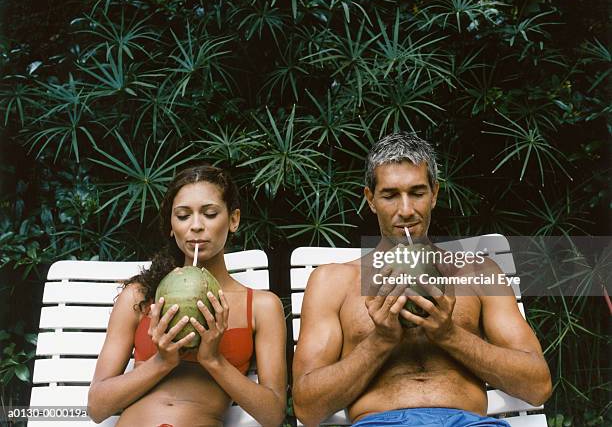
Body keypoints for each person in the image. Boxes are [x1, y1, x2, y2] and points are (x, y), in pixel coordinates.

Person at [292, 132, 552, 426]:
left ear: (435, 194)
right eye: (390, 195)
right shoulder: (332, 282)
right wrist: (380, 341)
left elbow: (537, 386)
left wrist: (449, 335)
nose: (406, 210)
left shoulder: (479, 273)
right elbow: (306, 407)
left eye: (417, 193)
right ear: (371, 199)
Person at [88, 164, 287, 427]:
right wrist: (161, 361)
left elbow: (273, 415)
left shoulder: (262, 306)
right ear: (171, 226)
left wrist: (213, 360)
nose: (195, 226)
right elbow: (97, 407)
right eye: (182, 216)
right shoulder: (140, 297)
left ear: (234, 219)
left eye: (210, 213)